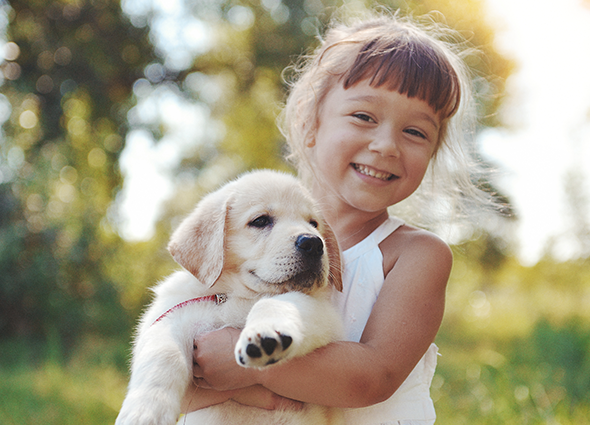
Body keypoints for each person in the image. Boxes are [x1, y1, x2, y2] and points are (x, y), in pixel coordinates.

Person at [186, 11, 494, 424]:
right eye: (364, 117)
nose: (386, 145)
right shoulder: (246, 232)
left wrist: (242, 361)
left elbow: (371, 378)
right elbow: (187, 355)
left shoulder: (416, 255)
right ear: (309, 123)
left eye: (416, 132)